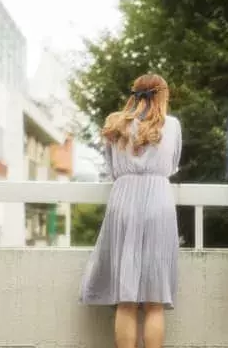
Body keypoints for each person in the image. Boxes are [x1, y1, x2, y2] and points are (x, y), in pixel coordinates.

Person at [80, 73, 182, 348]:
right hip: (159, 200)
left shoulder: (116, 123)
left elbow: (111, 169)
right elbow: (173, 165)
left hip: (123, 199)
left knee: (125, 300)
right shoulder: (171, 125)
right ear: (163, 95)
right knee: (154, 300)